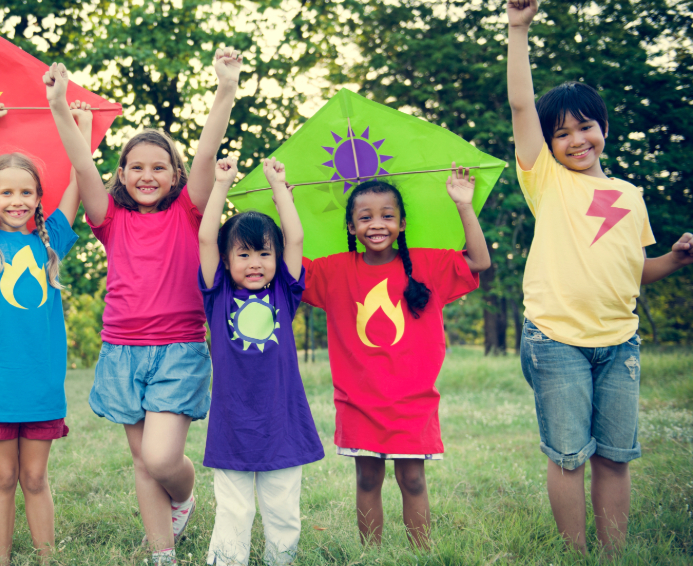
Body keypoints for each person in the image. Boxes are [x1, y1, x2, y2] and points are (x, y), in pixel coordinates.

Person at [506, 0, 693, 556]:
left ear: (603, 128)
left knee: (615, 456)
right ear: (547, 144)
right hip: (556, 338)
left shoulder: (631, 196)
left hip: (619, 342)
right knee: (569, 456)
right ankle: (577, 555)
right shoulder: (546, 181)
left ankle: (615, 556)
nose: (575, 140)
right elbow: (521, 104)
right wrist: (518, 30)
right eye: (561, 133)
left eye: (584, 127)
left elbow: (633, 271)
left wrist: (676, 259)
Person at [77, 48, 242, 566]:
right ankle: (162, 553)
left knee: (161, 457)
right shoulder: (109, 219)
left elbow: (206, 152)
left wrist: (225, 89)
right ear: (122, 174)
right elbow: (81, 166)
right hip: (122, 352)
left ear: (174, 175)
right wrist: (62, 110)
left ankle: (185, 495)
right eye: (137, 167)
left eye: (159, 167)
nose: (147, 175)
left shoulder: (189, 212)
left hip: (178, 350)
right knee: (141, 460)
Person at [303, 168, 491, 549]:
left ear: (402, 223)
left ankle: (421, 553)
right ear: (351, 226)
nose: (377, 224)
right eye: (365, 217)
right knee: (368, 479)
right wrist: (283, 201)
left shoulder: (427, 265)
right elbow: (290, 269)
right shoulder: (334, 270)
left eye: (387, 215)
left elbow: (479, 261)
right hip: (358, 400)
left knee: (413, 479)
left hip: (412, 400)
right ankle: (370, 555)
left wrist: (463, 205)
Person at [0, 90, 92, 564]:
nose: (17, 201)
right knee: (3, 477)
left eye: (26, 192)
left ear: (37, 199)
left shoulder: (51, 242)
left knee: (34, 478)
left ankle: (46, 559)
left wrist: (83, 129)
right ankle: (3, 560)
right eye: (6, 193)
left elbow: (79, 181)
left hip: (40, 384)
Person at [197, 156, 325, 566]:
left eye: (264, 254)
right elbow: (205, 239)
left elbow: (296, 238)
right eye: (244, 254)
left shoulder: (284, 292)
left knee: (283, 509)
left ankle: (280, 560)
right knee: (234, 510)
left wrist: (279, 189)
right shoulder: (218, 295)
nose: (255, 263)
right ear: (227, 260)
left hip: (281, 419)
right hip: (232, 421)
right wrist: (221, 184)